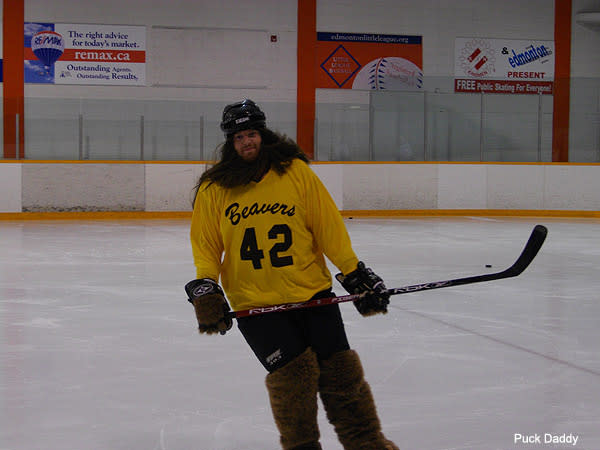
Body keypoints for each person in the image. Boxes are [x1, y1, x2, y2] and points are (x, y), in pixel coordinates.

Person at [186, 99, 399, 450]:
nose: (246, 142)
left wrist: (352, 271)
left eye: (251, 133)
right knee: (292, 384)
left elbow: (326, 225)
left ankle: (368, 443)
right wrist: (206, 287)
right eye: (239, 137)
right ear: (230, 142)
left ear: (262, 134)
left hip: (312, 292)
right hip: (256, 304)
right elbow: (206, 245)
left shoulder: (295, 172)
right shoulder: (215, 189)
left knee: (341, 376)